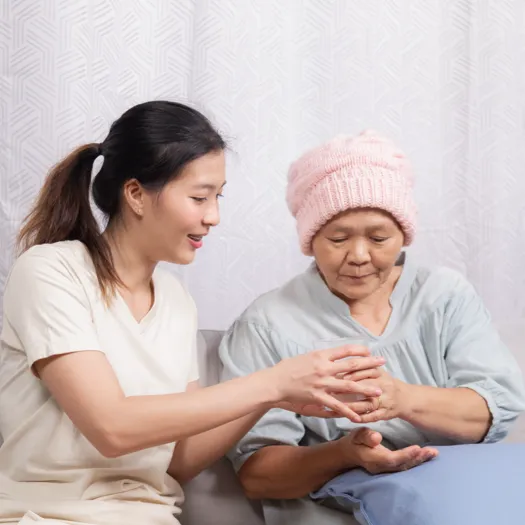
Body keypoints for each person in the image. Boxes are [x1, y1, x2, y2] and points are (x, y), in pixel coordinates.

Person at [0, 102, 387, 525]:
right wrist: (270, 383)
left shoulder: (175, 301)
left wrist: (278, 395)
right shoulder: (51, 272)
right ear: (135, 195)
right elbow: (111, 427)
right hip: (49, 516)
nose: (214, 216)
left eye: (217, 197)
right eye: (199, 197)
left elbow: (178, 462)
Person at [219, 130, 525, 525]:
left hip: (473, 480)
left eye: (379, 238)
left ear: (403, 235)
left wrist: (402, 399)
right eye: (338, 238)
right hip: (355, 497)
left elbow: (495, 410)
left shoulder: (443, 295)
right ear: (310, 241)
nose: (359, 256)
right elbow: (257, 474)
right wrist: (344, 453)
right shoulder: (268, 323)